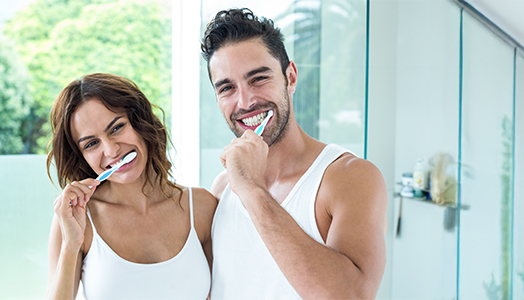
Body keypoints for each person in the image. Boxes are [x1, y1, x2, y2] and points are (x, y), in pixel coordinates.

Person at [201, 8, 388, 299]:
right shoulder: (223, 186)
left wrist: (252, 189)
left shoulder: (349, 177)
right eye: (227, 88)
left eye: (258, 79)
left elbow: (352, 295)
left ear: (290, 77)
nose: (246, 101)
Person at [45, 73, 221, 300]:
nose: (110, 150)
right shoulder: (76, 220)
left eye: (116, 128)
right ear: (81, 156)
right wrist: (71, 245)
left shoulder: (202, 207)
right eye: (91, 143)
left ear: (141, 123)